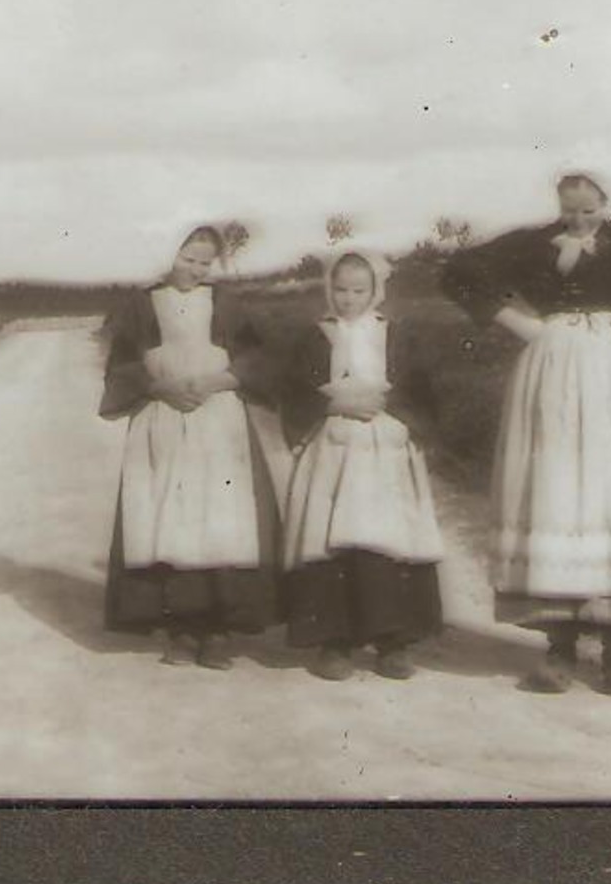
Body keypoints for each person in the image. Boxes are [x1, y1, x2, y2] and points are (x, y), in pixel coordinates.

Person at [441, 173, 611, 695]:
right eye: (570, 210)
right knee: (554, 496)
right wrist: (519, 323)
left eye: (589, 209)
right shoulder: (534, 244)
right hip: (551, 369)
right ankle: (558, 650)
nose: (579, 219)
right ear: (558, 205)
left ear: (608, 203)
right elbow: (458, 273)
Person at [98, 226, 280, 669]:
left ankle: (218, 631)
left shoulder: (227, 303)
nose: (195, 270)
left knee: (219, 520)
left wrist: (218, 381)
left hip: (218, 420)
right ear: (168, 253)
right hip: (163, 418)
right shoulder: (142, 305)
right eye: (187, 259)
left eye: (204, 263)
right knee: (170, 521)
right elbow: (122, 363)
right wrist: (160, 388)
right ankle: (180, 629)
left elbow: (257, 357)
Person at [279, 250, 445, 682]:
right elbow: (294, 388)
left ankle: (392, 642)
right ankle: (334, 642)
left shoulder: (395, 335)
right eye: (340, 289)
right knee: (331, 539)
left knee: (386, 539)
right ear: (328, 290)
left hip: (383, 448)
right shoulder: (316, 336)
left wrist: (394, 414)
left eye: (359, 290)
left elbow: (419, 388)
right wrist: (331, 402)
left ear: (376, 291)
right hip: (332, 448)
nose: (349, 299)